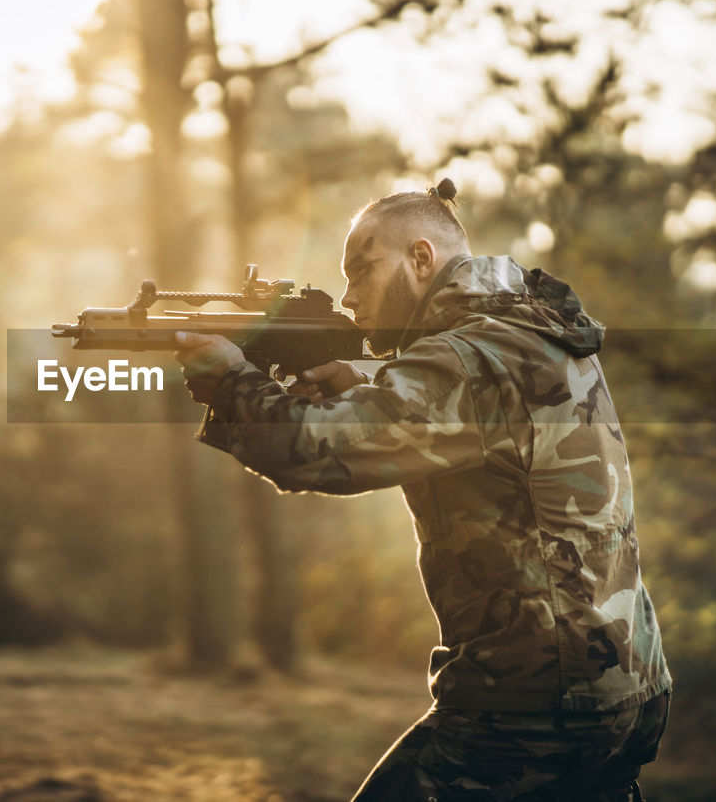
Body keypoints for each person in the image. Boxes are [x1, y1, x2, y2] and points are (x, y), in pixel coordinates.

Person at [173, 179, 672, 801]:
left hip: (533, 703)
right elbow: (479, 437)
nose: (349, 298)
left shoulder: (472, 357)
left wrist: (231, 382)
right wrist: (361, 387)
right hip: (624, 691)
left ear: (420, 258)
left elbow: (312, 453)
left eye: (362, 272)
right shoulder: (530, 327)